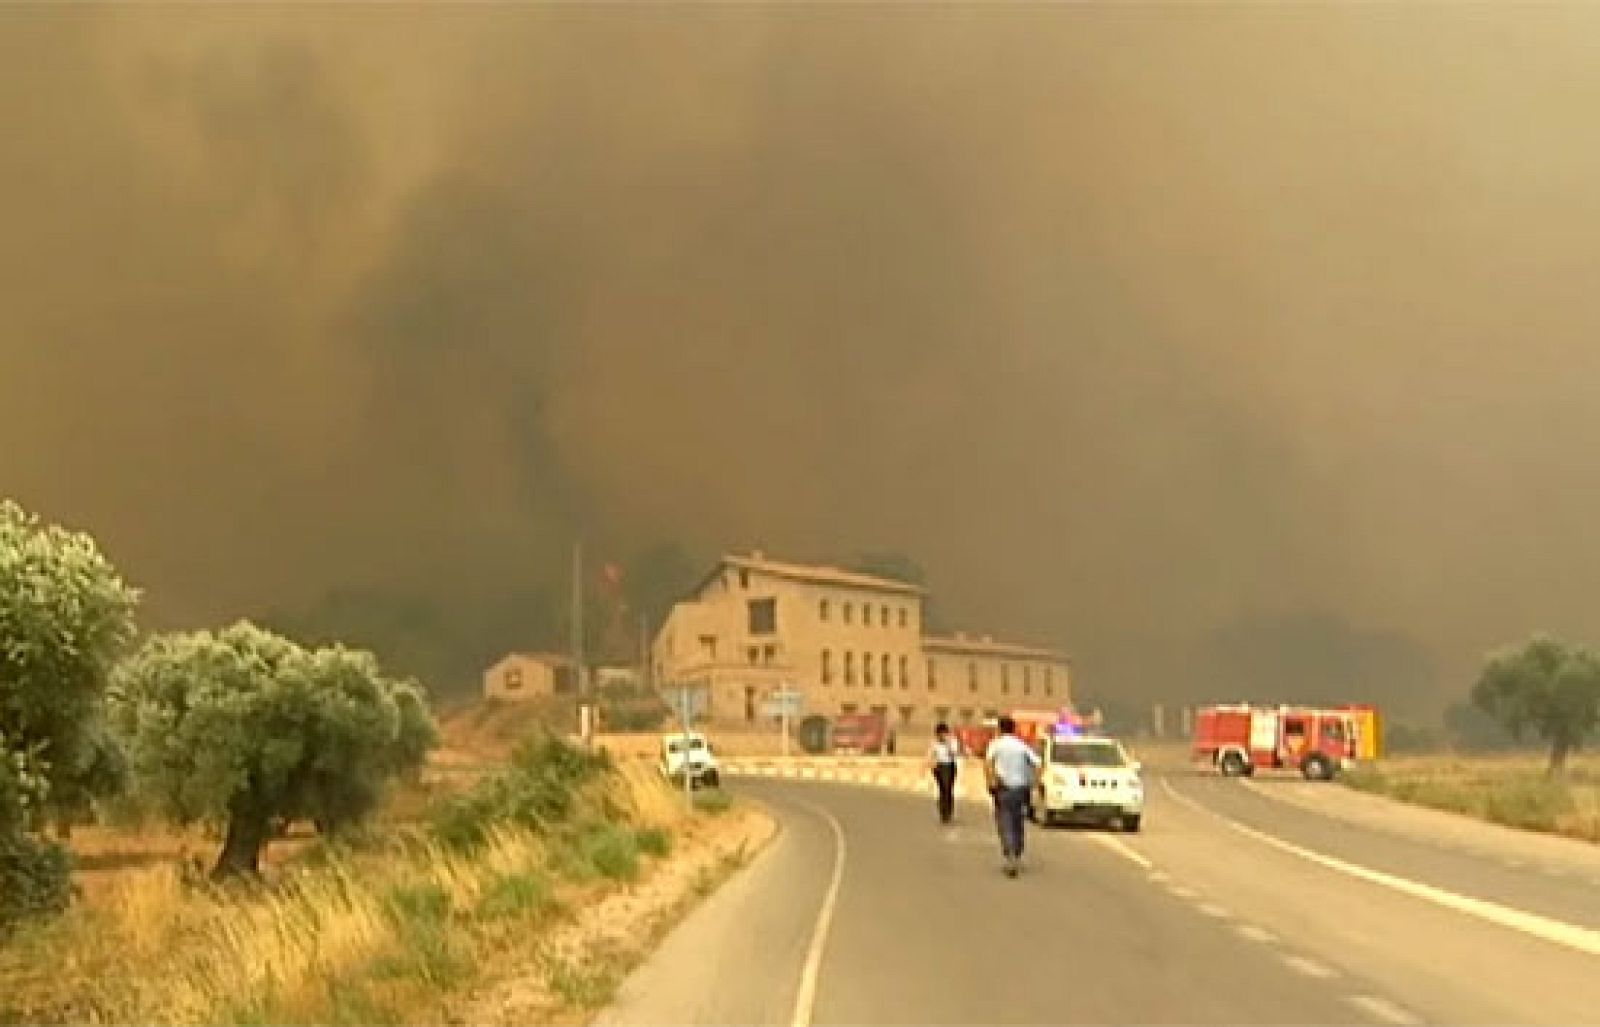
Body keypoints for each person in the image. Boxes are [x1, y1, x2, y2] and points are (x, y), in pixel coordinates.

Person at [984, 715, 1041, 877]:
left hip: (1003, 788)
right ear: (1013, 729)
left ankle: (1010, 856)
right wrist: (1034, 782)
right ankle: (1017, 851)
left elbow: (988, 764)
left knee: (1005, 821)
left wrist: (991, 782)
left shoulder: (996, 745)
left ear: (1000, 729)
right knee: (1017, 821)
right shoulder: (1021, 745)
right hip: (1021, 789)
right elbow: (1037, 763)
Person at [926, 723, 960, 824]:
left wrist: (948, 744)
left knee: (948, 788)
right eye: (939, 733)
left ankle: (948, 810)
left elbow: (954, 753)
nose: (941, 735)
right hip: (939, 767)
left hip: (949, 766)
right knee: (942, 788)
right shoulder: (934, 743)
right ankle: (942, 810)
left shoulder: (953, 741)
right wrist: (929, 763)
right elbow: (930, 754)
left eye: (943, 733)